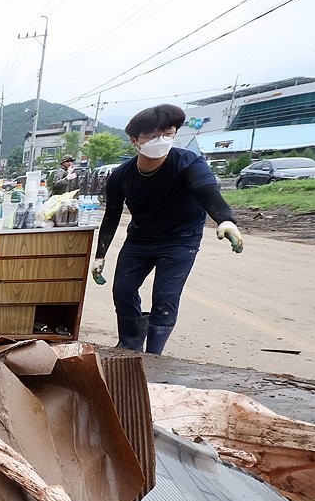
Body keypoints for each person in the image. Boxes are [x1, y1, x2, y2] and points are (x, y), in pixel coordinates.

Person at [91, 104, 243, 354]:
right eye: (152, 136)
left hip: (180, 240)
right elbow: (112, 215)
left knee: (165, 297)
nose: (160, 140)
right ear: (135, 141)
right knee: (123, 290)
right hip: (140, 239)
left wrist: (225, 219)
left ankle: (154, 354)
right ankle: (130, 343)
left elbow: (207, 192)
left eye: (167, 133)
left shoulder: (189, 164)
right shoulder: (122, 175)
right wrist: (100, 255)